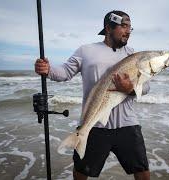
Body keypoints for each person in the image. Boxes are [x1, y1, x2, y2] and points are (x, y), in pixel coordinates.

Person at [35, 10, 150, 180]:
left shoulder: (133, 55)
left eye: (130, 28)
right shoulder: (86, 51)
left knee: (142, 170)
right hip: (94, 126)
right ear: (108, 28)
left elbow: (146, 87)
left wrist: (129, 88)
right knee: (81, 171)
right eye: (123, 26)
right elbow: (65, 72)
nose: (128, 31)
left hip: (127, 124)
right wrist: (48, 70)